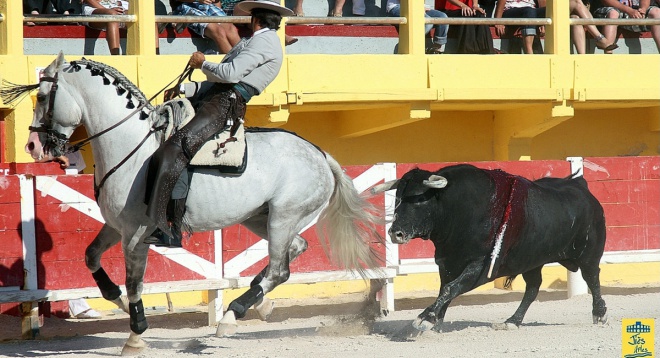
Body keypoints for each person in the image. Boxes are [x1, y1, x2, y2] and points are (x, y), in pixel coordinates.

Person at [144, 0, 294, 248]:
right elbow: (222, 81)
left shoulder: (262, 42)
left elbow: (229, 75)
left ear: (255, 20)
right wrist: (184, 88)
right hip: (217, 99)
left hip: (222, 106)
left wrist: (202, 63)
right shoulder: (258, 42)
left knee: (175, 148)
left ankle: (170, 228)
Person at [494, 0, 617, 54]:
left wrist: (542, 22)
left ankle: (595, 42)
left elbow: (541, 3)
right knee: (529, 10)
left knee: (576, 10)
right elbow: (501, 1)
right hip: (511, 11)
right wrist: (498, 20)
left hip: (532, 12)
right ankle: (529, 53)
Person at [169, 0, 242, 54]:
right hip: (184, 6)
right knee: (218, 31)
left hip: (208, 5)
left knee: (231, 28)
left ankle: (245, 64)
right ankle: (230, 67)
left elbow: (216, 2)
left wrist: (220, 15)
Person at [591, 0, 660, 54]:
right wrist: (629, 10)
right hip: (611, 9)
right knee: (613, 14)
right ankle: (608, 56)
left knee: (656, 12)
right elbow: (606, 1)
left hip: (635, 11)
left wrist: (643, 10)